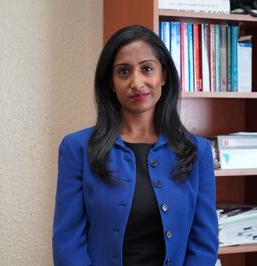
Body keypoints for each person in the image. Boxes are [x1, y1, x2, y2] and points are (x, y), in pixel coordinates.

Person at [52, 25, 218, 266]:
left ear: (164, 76)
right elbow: (67, 244)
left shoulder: (197, 151)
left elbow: (204, 245)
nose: (136, 82)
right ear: (111, 82)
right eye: (123, 72)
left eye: (147, 69)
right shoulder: (76, 149)